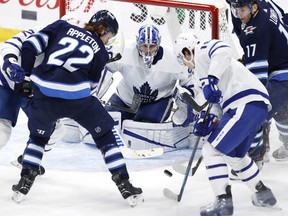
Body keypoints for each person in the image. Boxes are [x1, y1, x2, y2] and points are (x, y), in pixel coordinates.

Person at [7, 10, 143, 206]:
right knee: (105, 136)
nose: (107, 41)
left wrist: (26, 75)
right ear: (102, 28)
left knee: (38, 137)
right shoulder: (101, 51)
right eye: (108, 36)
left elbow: (30, 45)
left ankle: (25, 180)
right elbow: (91, 85)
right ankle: (124, 183)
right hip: (78, 100)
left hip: (44, 95)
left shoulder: (62, 26)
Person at [174, 32, 277, 215]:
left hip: (244, 103)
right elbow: (216, 105)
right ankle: (262, 194)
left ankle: (223, 203)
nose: (184, 63)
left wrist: (212, 79)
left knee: (211, 150)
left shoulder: (202, 50)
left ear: (186, 51)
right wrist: (207, 121)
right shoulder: (201, 75)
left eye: (182, 58)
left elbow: (223, 49)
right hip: (253, 107)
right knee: (234, 156)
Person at [63, 24, 196, 152]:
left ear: (159, 43)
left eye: (152, 46)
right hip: (125, 98)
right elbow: (104, 70)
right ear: (138, 43)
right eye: (144, 46)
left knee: (141, 131)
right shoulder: (124, 51)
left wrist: (187, 107)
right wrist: (94, 95)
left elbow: (188, 84)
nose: (148, 50)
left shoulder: (173, 59)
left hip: (158, 102)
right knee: (104, 125)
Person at [0, 25, 66, 174]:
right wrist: (11, 63)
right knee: (1, 132)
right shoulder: (37, 33)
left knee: (56, 130)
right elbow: (10, 45)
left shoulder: (71, 51)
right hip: (7, 83)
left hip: (34, 91)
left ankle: (28, 158)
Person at [229, 0, 288, 163]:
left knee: (254, 111)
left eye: (241, 10)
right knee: (280, 106)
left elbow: (257, 84)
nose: (239, 14)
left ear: (253, 8)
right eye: (236, 10)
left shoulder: (254, 31)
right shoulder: (265, 2)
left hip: (282, 73)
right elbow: (285, 17)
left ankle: (256, 157)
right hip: (280, 65)